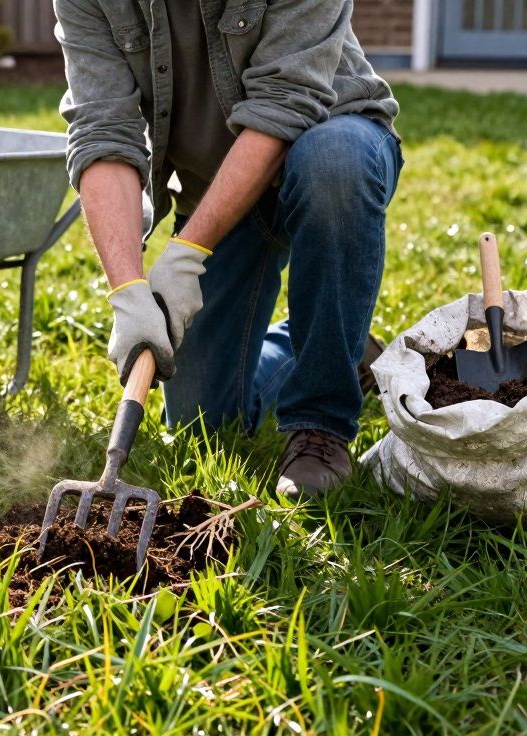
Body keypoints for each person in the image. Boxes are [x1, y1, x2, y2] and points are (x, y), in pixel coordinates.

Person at [55, 0, 403, 497]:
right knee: (202, 426)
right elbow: (102, 130)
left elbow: (287, 103)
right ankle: (335, 346)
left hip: (332, 150)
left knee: (333, 164)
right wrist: (128, 290)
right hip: (218, 192)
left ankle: (319, 427)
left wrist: (186, 253)